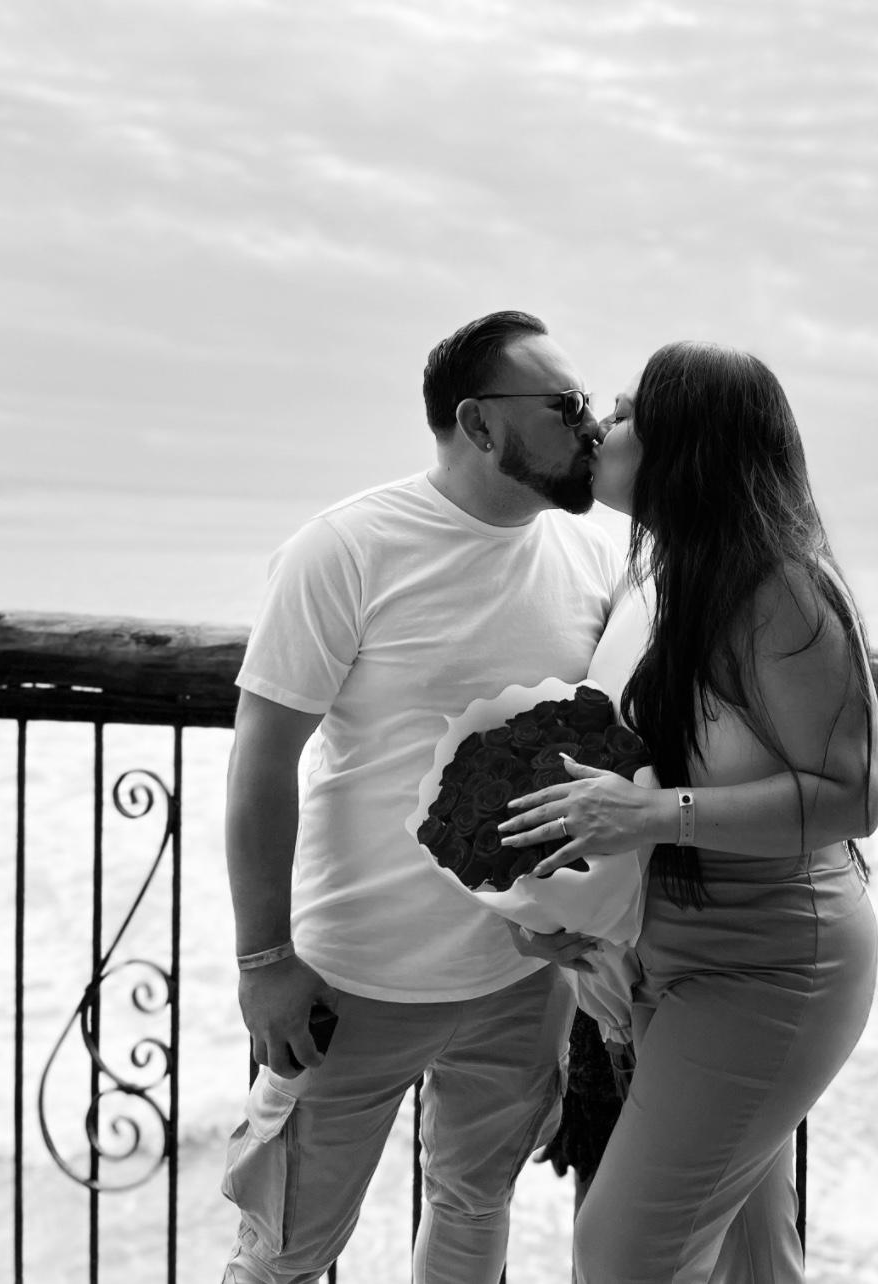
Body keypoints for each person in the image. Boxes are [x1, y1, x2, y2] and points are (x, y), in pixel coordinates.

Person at [220, 310, 620, 1284]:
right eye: (566, 406)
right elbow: (262, 762)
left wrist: (592, 917)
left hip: (521, 980)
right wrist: (264, 961)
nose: (593, 428)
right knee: (283, 1251)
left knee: (474, 1212)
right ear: (479, 424)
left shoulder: (599, 557)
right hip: (352, 981)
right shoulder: (346, 549)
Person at [498, 341, 878, 1283]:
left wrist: (651, 818)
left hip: (769, 965)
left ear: (688, 447)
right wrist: (569, 923)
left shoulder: (780, 589)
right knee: (751, 1263)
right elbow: (619, 782)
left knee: (622, 1252)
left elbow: (853, 796)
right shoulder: (656, 580)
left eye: (627, 413)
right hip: (667, 953)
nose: (601, 427)